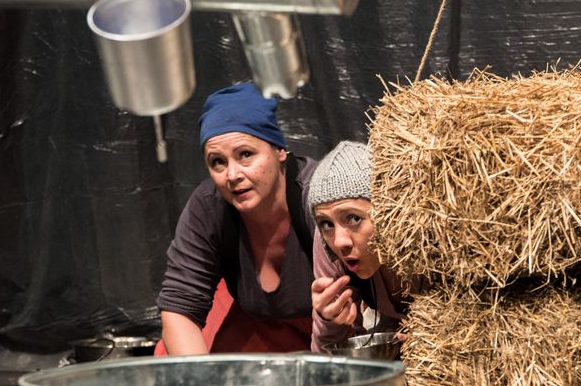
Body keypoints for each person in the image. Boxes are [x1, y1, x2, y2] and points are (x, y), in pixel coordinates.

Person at [157, 82, 317, 354]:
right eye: (218, 162)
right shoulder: (210, 206)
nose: (232, 175)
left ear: (280, 150)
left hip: (336, 326)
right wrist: (200, 378)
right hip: (261, 325)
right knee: (169, 353)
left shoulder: (318, 195)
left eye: (245, 155)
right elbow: (179, 307)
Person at [307, 141, 417, 352]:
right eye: (326, 223)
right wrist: (329, 321)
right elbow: (327, 358)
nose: (340, 241)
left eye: (353, 218)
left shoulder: (428, 244)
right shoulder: (327, 244)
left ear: (390, 214)